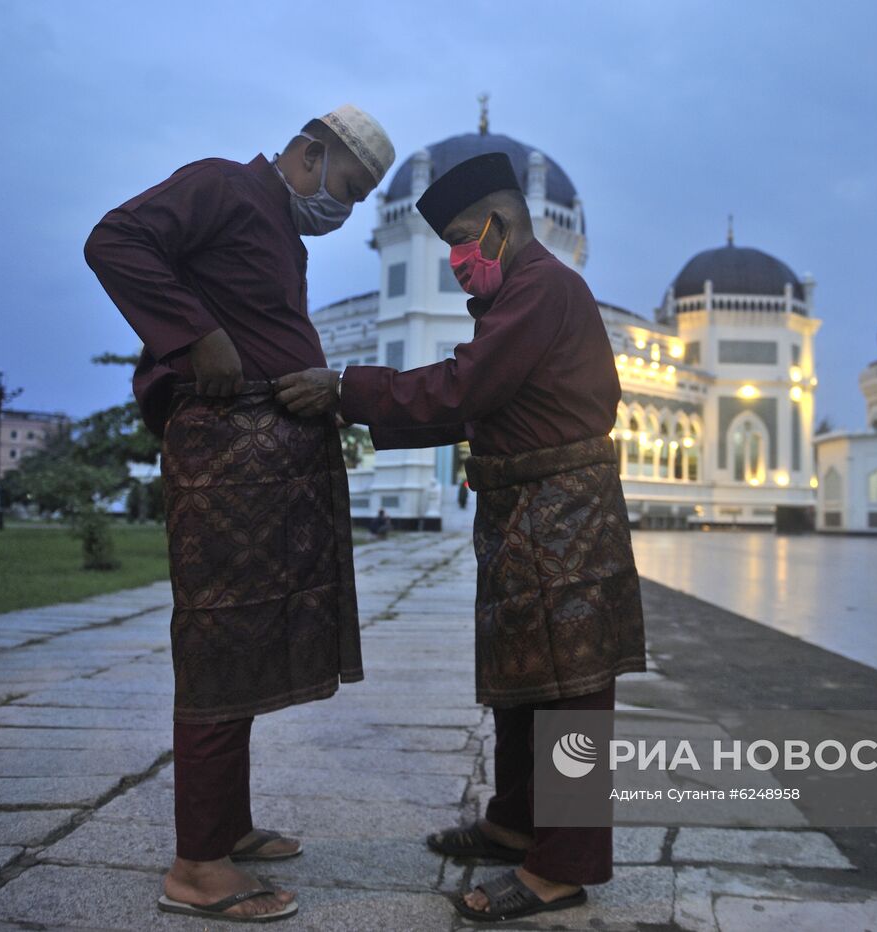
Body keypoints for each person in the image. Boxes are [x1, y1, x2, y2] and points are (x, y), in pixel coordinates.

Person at [273, 152, 646, 923]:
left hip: (564, 513)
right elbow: (465, 406)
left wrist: (348, 387)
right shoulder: (523, 294)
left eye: (458, 239)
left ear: (499, 226)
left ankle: (561, 868)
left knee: (571, 689)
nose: (452, 259)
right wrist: (359, 401)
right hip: (527, 510)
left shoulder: (542, 287)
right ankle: (514, 823)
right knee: (524, 677)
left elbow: (463, 385)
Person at [83, 104, 395, 923]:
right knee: (222, 640)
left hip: (271, 467)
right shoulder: (223, 184)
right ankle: (196, 867)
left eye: (363, 199)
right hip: (226, 461)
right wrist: (196, 336)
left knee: (252, 641)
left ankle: (225, 824)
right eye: (350, 187)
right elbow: (113, 240)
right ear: (309, 151)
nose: (348, 208)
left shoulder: (280, 232)